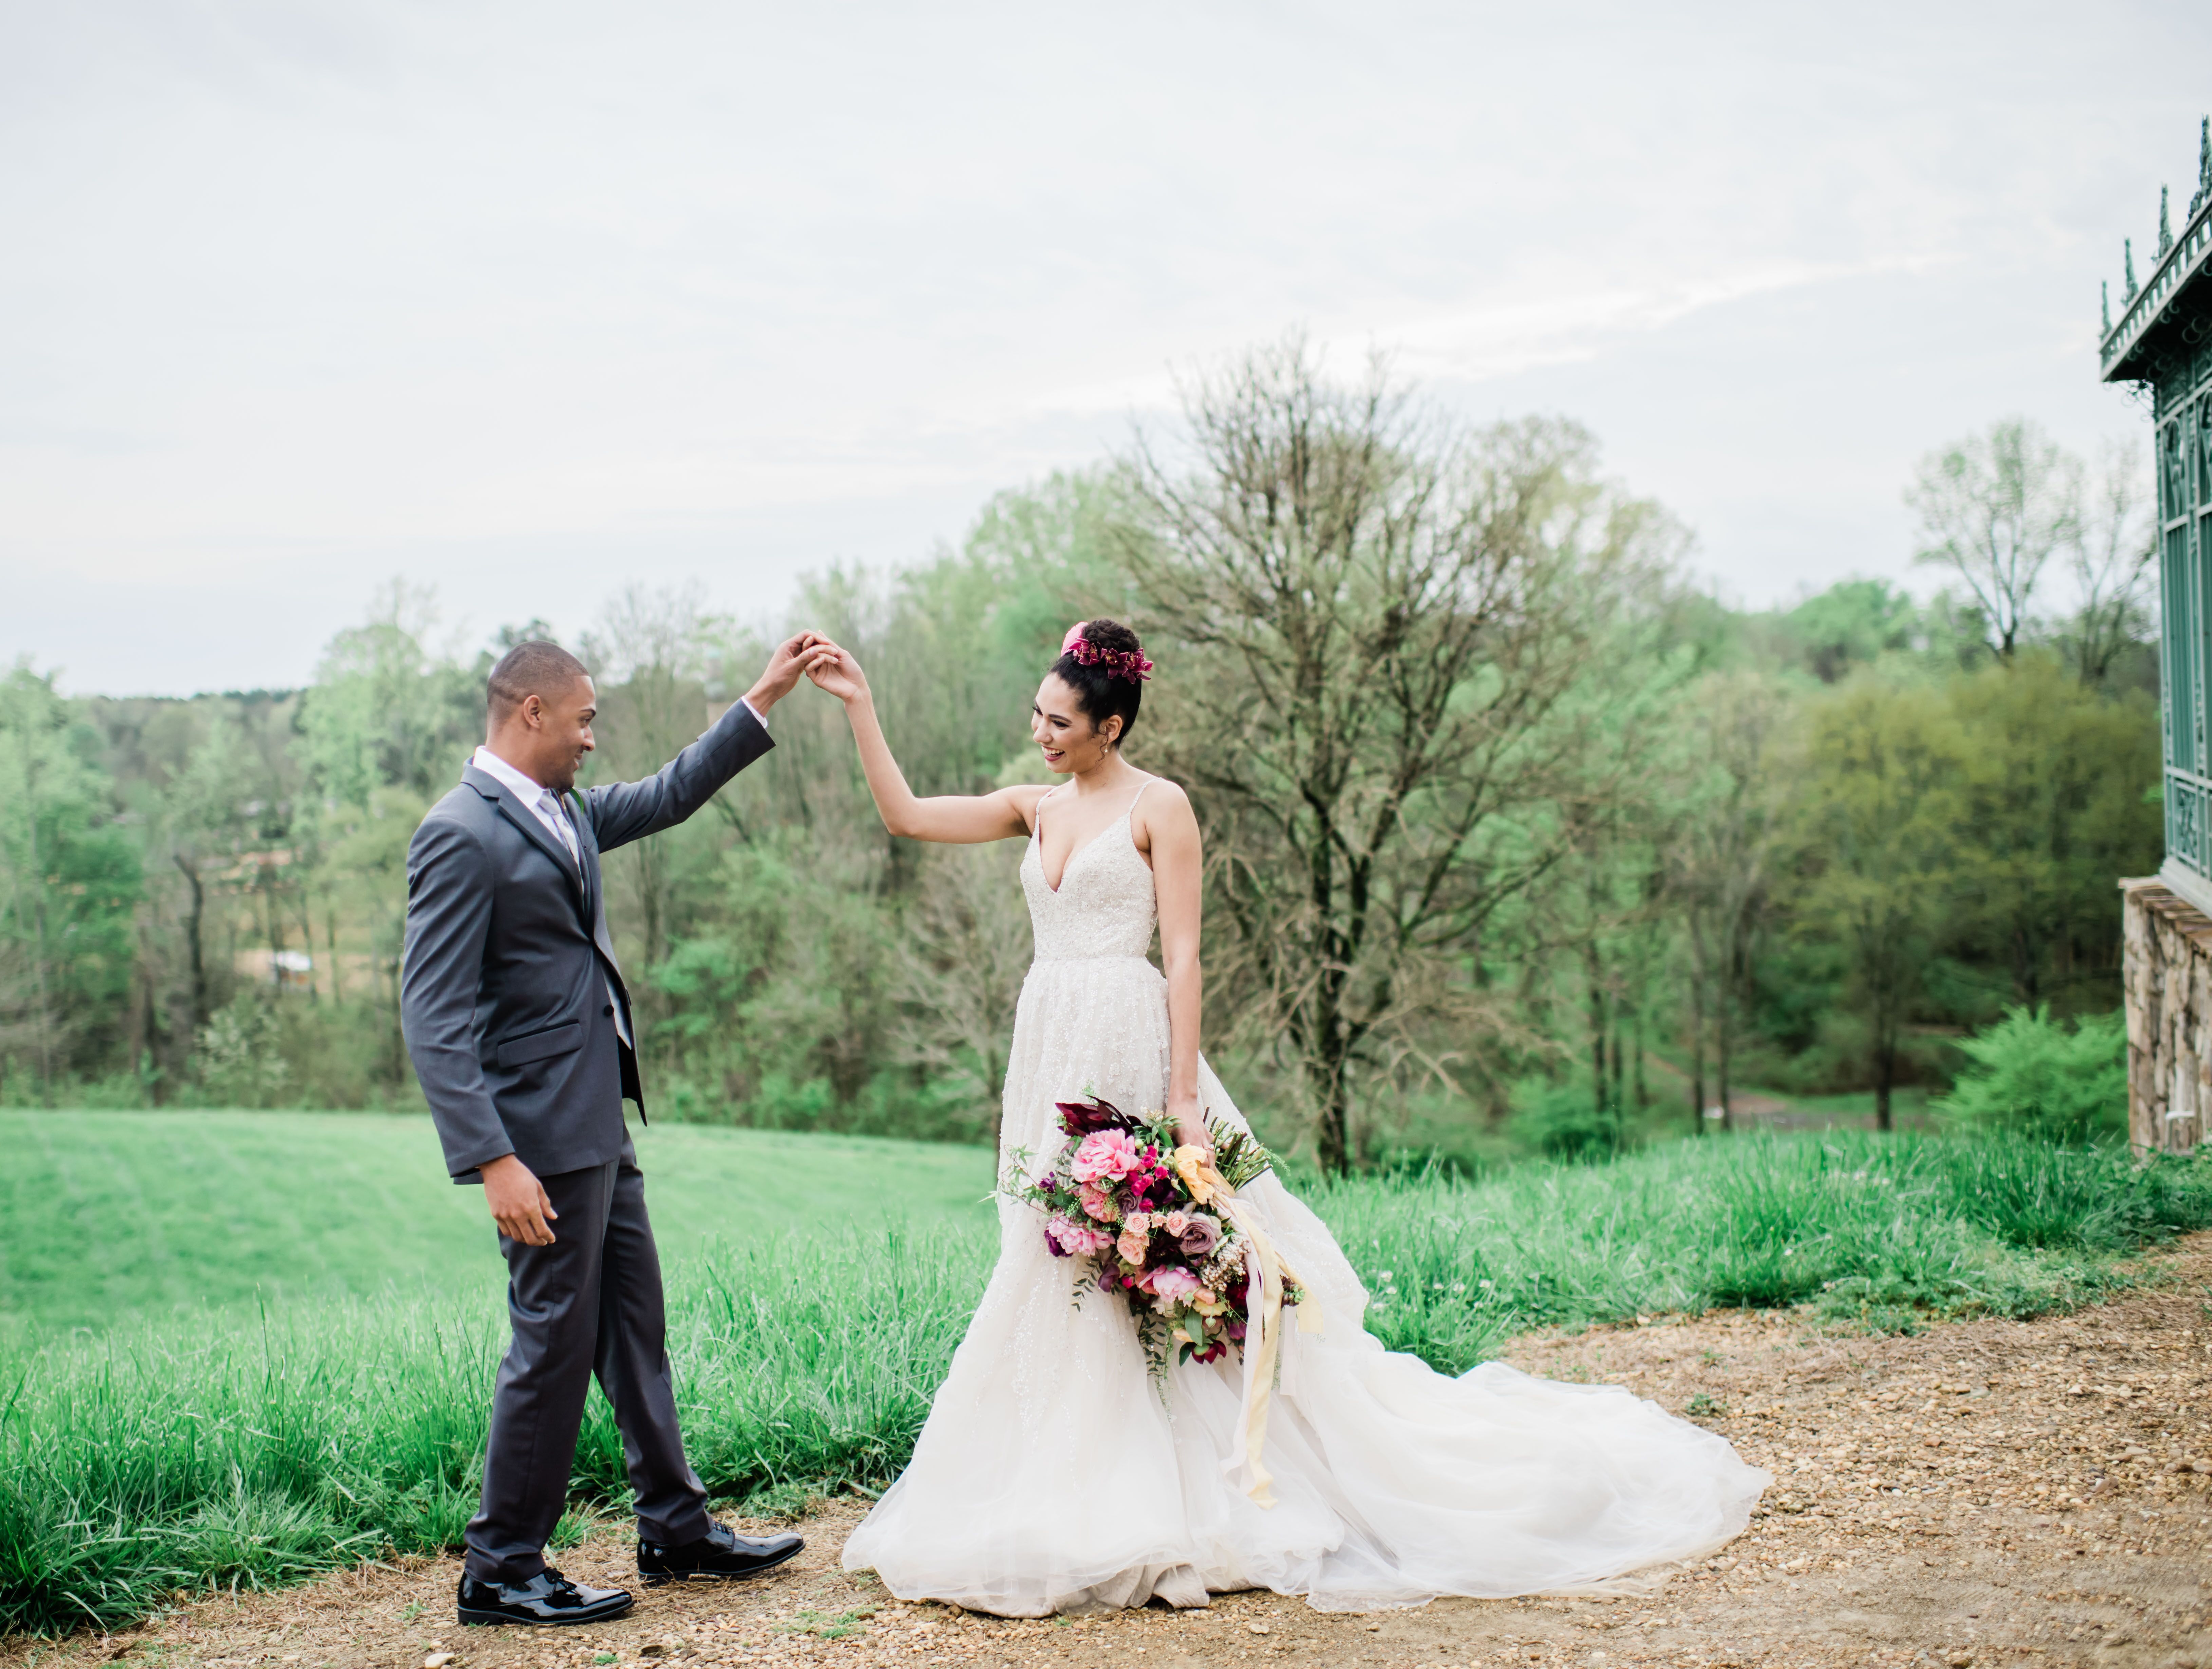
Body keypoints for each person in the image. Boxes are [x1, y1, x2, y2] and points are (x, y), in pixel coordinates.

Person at [806, 618, 1770, 1616]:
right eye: (1036, 717)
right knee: (1051, 1252)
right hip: (1047, 1043)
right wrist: (861, 707)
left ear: (1113, 725)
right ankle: (1071, 1480)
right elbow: (909, 816)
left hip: (1131, 1046)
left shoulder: (1158, 806)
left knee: (1136, 1254)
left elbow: (1183, 955)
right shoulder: (1035, 807)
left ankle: (1185, 1489)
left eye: (1059, 722)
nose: (1040, 734)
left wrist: (1183, 1101)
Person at [400, 632, 829, 1629]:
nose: (596, 738)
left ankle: (675, 1529)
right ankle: (501, 1566)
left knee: (634, 1326)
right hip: (538, 1139)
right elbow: (433, 1014)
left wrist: (763, 697)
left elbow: (673, 793)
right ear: (533, 713)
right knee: (552, 1344)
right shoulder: (461, 831)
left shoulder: (566, 814)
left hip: (600, 1121)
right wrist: (492, 1158)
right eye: (586, 718)